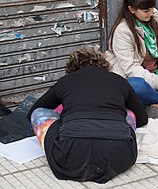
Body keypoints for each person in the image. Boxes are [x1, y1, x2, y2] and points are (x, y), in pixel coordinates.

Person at [27, 47, 148, 183]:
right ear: (103, 64)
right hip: (121, 155)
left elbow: (33, 111)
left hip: (68, 155)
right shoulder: (119, 80)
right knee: (129, 112)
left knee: (39, 114)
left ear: (72, 68)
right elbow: (142, 118)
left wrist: (62, 118)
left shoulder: (66, 81)